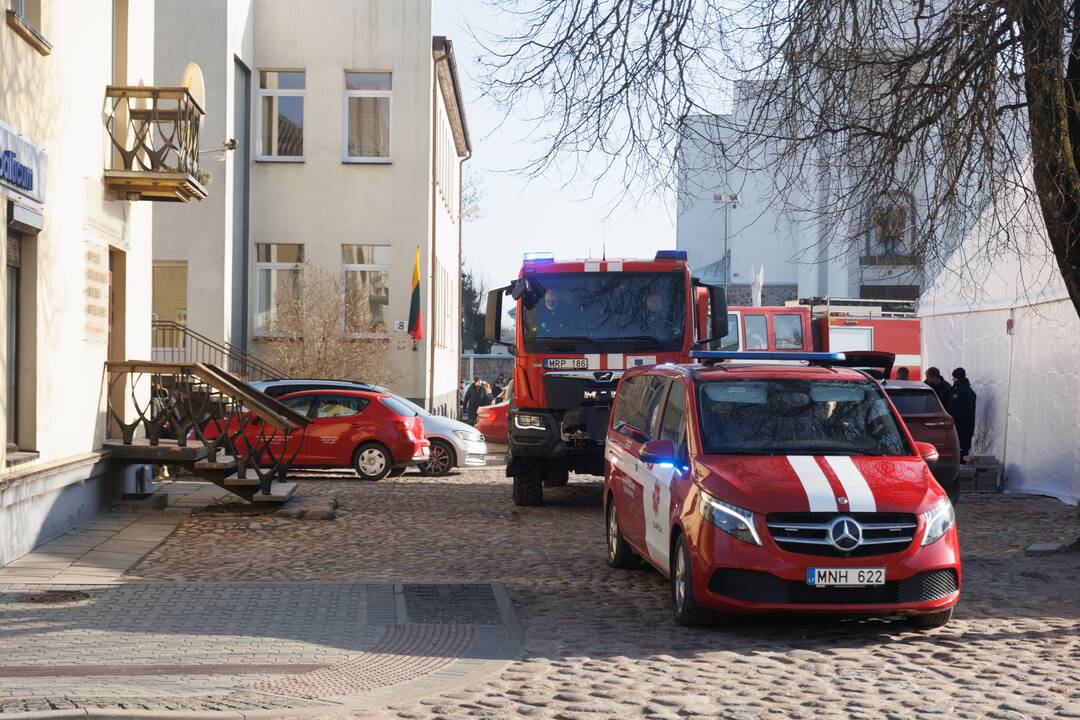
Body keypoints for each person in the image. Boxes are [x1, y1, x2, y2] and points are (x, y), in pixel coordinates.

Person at [949, 367, 977, 461]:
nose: (952, 379)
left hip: (959, 425)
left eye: (954, 377)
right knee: (964, 449)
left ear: (958, 378)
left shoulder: (958, 391)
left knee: (958, 449)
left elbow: (955, 409)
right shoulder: (969, 391)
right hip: (968, 425)